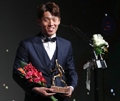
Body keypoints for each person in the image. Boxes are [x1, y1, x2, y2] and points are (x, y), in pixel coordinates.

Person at [12, 2, 78, 101]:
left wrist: (71, 87)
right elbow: (17, 73)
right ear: (39, 21)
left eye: (54, 19)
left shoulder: (66, 45)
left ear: (59, 21)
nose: (51, 24)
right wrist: (34, 89)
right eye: (46, 20)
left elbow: (71, 71)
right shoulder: (27, 44)